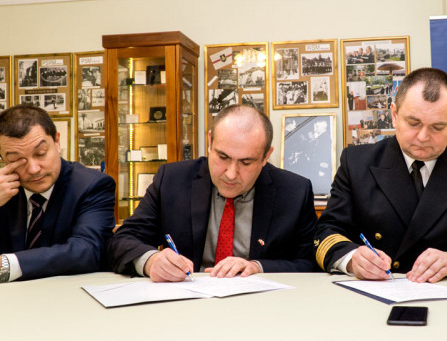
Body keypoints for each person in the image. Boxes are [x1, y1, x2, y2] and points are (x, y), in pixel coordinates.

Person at [314, 68, 447, 283]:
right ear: (394, 115)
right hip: (376, 291)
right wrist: (352, 259)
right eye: (413, 123)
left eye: (437, 127)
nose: (423, 137)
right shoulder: (356, 163)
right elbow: (326, 233)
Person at [108, 105, 318, 282]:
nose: (231, 173)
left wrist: (257, 267)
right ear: (210, 142)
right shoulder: (172, 180)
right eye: (223, 157)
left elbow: (309, 262)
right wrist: (151, 261)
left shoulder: (294, 192)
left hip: (262, 308)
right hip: (186, 304)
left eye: (246, 162)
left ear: (266, 156)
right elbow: (123, 240)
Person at [0, 105, 115, 282]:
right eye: (17, 160)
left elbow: (87, 249)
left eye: (41, 153)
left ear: (57, 142)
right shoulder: (4, 189)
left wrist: (7, 264)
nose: (33, 169)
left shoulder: (90, 185)